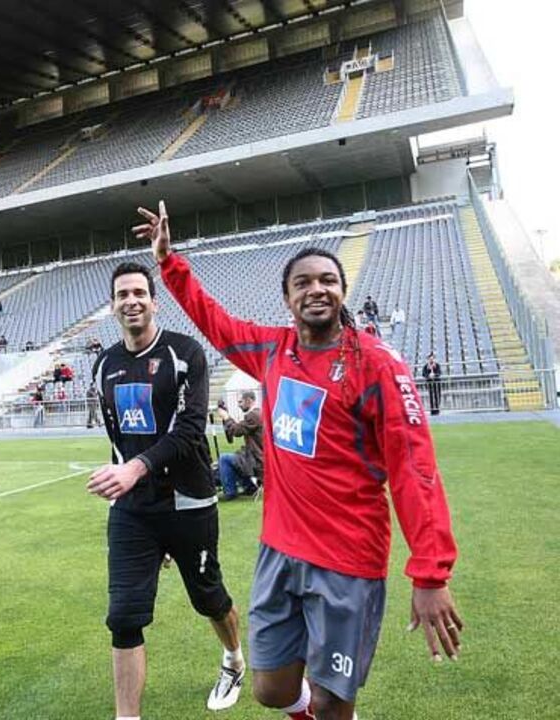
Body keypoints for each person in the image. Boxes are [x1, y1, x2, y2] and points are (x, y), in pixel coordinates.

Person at [134, 201, 461, 720]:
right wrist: (169, 262)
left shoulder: (376, 365)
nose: (317, 289)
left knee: (334, 705)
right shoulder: (272, 350)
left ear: (342, 291)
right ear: (287, 297)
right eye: (303, 282)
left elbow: (414, 469)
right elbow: (214, 322)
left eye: (328, 280)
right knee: (270, 689)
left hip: (348, 561)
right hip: (280, 552)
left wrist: (430, 574)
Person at [87, 261, 246, 719]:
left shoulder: (184, 353)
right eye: (122, 294)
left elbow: (192, 429)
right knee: (124, 618)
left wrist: (136, 468)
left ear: (154, 301)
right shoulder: (104, 365)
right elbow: (118, 437)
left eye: (139, 292)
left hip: (189, 502)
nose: (131, 300)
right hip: (134, 508)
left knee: (209, 598)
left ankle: (234, 659)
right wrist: (125, 476)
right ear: (114, 305)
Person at [214, 391, 263, 500]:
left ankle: (230, 492)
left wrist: (226, 417)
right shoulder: (257, 414)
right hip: (256, 457)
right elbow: (235, 431)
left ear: (249, 401)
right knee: (237, 457)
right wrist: (226, 418)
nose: (238, 405)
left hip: (257, 460)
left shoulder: (253, 415)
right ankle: (249, 487)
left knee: (224, 458)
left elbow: (236, 431)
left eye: (240, 402)